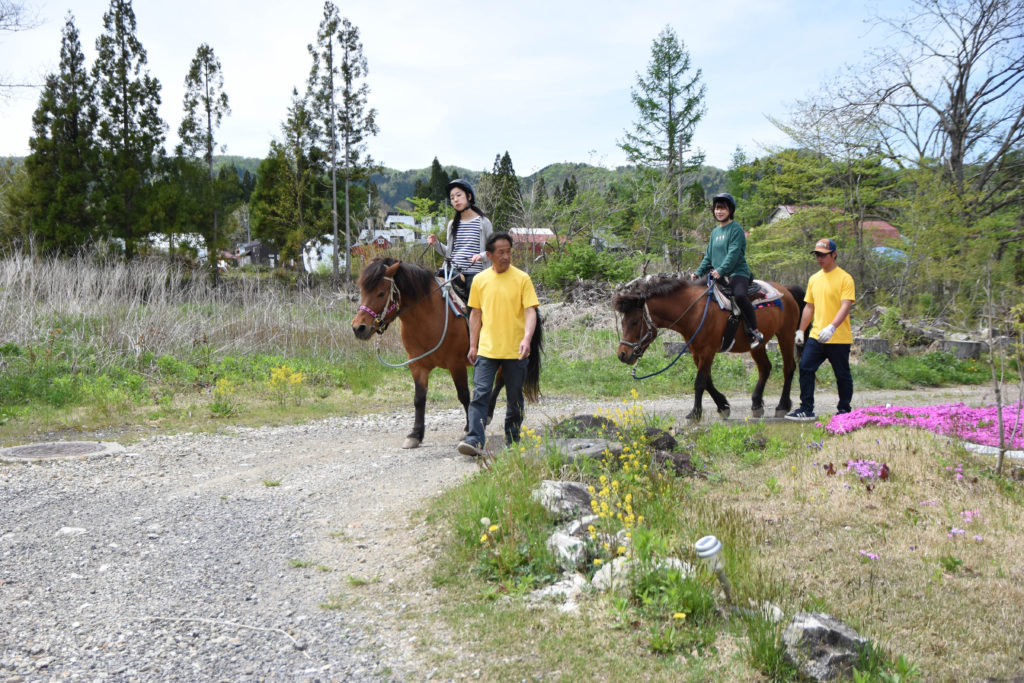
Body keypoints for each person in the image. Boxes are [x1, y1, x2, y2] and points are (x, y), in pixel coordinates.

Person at [457, 232, 540, 456]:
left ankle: (513, 439)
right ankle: (474, 439)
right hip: (487, 349)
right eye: (501, 252)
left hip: (516, 350)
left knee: (515, 397)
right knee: (481, 394)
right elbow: (475, 314)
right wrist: (473, 345)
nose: (506, 256)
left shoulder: (522, 278)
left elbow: (530, 311)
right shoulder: (480, 280)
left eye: (509, 252)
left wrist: (526, 338)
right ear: (489, 255)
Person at [785, 238, 857, 422]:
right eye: (817, 254)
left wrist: (832, 327)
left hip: (838, 337)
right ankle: (806, 408)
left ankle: (844, 410)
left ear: (834, 254)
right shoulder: (814, 278)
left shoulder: (845, 278)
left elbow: (845, 306)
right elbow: (809, 307)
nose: (819, 258)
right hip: (817, 336)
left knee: (842, 374)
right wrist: (801, 330)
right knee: (805, 367)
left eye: (823, 255)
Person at [691, 192, 763, 348]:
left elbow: (733, 254)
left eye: (723, 208)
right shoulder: (715, 232)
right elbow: (708, 257)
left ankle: (754, 331)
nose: (719, 211)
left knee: (740, 296)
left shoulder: (736, 229)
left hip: (737, 273)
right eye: (717, 208)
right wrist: (698, 272)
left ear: (730, 210)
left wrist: (721, 270)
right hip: (718, 275)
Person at [427, 178, 494, 300]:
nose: (455, 200)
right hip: (451, 270)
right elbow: (449, 252)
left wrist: (481, 255)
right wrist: (436, 243)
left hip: (474, 273)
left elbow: (492, 251)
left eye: (458, 195)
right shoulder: (452, 224)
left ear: (469, 196)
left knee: (472, 301)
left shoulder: (484, 222)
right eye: (452, 198)